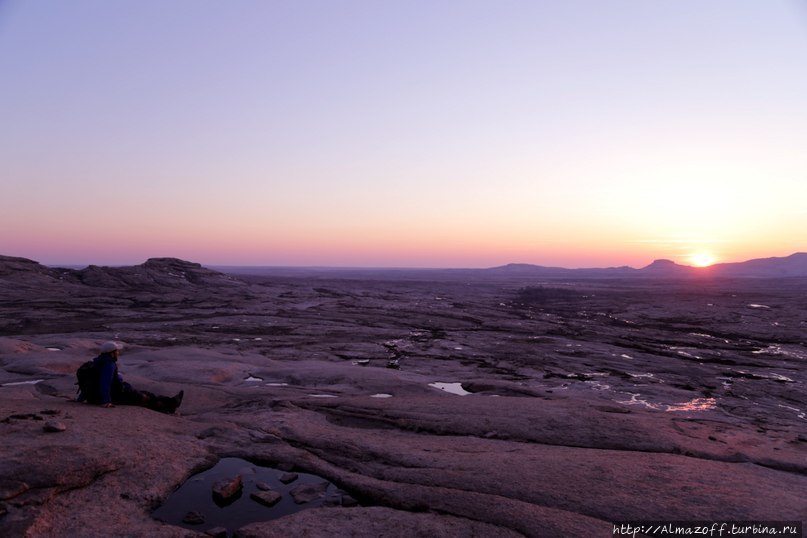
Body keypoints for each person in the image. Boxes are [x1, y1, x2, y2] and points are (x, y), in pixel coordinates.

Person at [78, 341, 184, 414]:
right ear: (112, 353)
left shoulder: (98, 361)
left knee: (145, 396)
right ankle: (172, 403)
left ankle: (169, 406)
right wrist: (106, 401)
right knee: (145, 397)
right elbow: (105, 383)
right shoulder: (108, 364)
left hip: (96, 397)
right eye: (117, 351)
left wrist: (81, 399)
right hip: (116, 395)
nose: (118, 353)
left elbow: (89, 381)